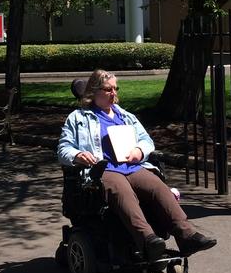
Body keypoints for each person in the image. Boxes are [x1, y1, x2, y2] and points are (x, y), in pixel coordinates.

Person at [58, 69, 217, 262]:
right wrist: (78, 155)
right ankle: (148, 240)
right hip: (104, 169)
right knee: (122, 192)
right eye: (108, 89)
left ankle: (187, 236)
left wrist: (139, 151)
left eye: (115, 89)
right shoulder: (78, 118)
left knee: (158, 187)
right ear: (94, 91)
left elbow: (146, 140)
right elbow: (63, 149)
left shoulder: (125, 116)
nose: (114, 93)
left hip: (131, 166)